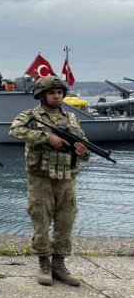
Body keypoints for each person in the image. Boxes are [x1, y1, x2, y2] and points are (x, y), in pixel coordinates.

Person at [9, 75, 88, 287]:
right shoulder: (32, 116)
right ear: (42, 95)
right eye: (51, 93)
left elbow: (83, 144)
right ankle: (44, 263)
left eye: (59, 92)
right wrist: (46, 138)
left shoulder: (71, 118)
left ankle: (59, 264)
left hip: (66, 178)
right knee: (41, 219)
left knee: (66, 220)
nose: (56, 96)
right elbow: (15, 130)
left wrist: (83, 151)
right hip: (41, 177)